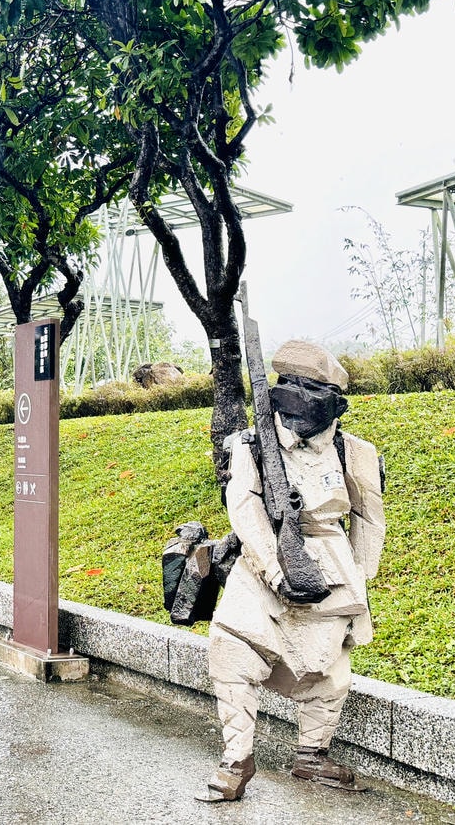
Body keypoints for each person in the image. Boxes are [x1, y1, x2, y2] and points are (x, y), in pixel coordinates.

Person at [196, 340, 386, 803]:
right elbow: (245, 508)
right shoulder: (251, 443)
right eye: (290, 389)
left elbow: (369, 519)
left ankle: (312, 755)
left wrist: (358, 579)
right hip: (262, 563)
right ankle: (237, 760)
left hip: (330, 562)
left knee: (328, 670)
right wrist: (276, 569)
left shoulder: (355, 452)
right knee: (231, 649)